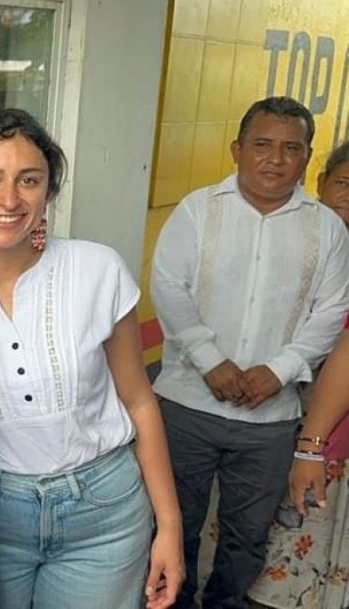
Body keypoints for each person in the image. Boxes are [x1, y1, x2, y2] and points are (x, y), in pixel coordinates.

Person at [0, 108, 184, 609]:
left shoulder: (96, 268)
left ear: (49, 191)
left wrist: (170, 527)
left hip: (104, 516)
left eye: (29, 180)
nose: (10, 199)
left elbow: (139, 403)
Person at [152, 96, 349, 609]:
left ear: (307, 157)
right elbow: (168, 286)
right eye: (262, 145)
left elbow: (331, 312)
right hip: (187, 406)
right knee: (173, 527)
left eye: (291, 148)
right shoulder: (198, 210)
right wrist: (210, 361)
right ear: (237, 149)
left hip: (271, 419)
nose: (275, 159)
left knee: (246, 541)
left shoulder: (327, 229)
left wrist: (280, 371)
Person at [246, 140, 349, 609]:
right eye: (343, 183)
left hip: (326, 423)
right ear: (321, 183)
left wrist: (313, 442)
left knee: (307, 526)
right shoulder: (291, 239)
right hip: (270, 405)